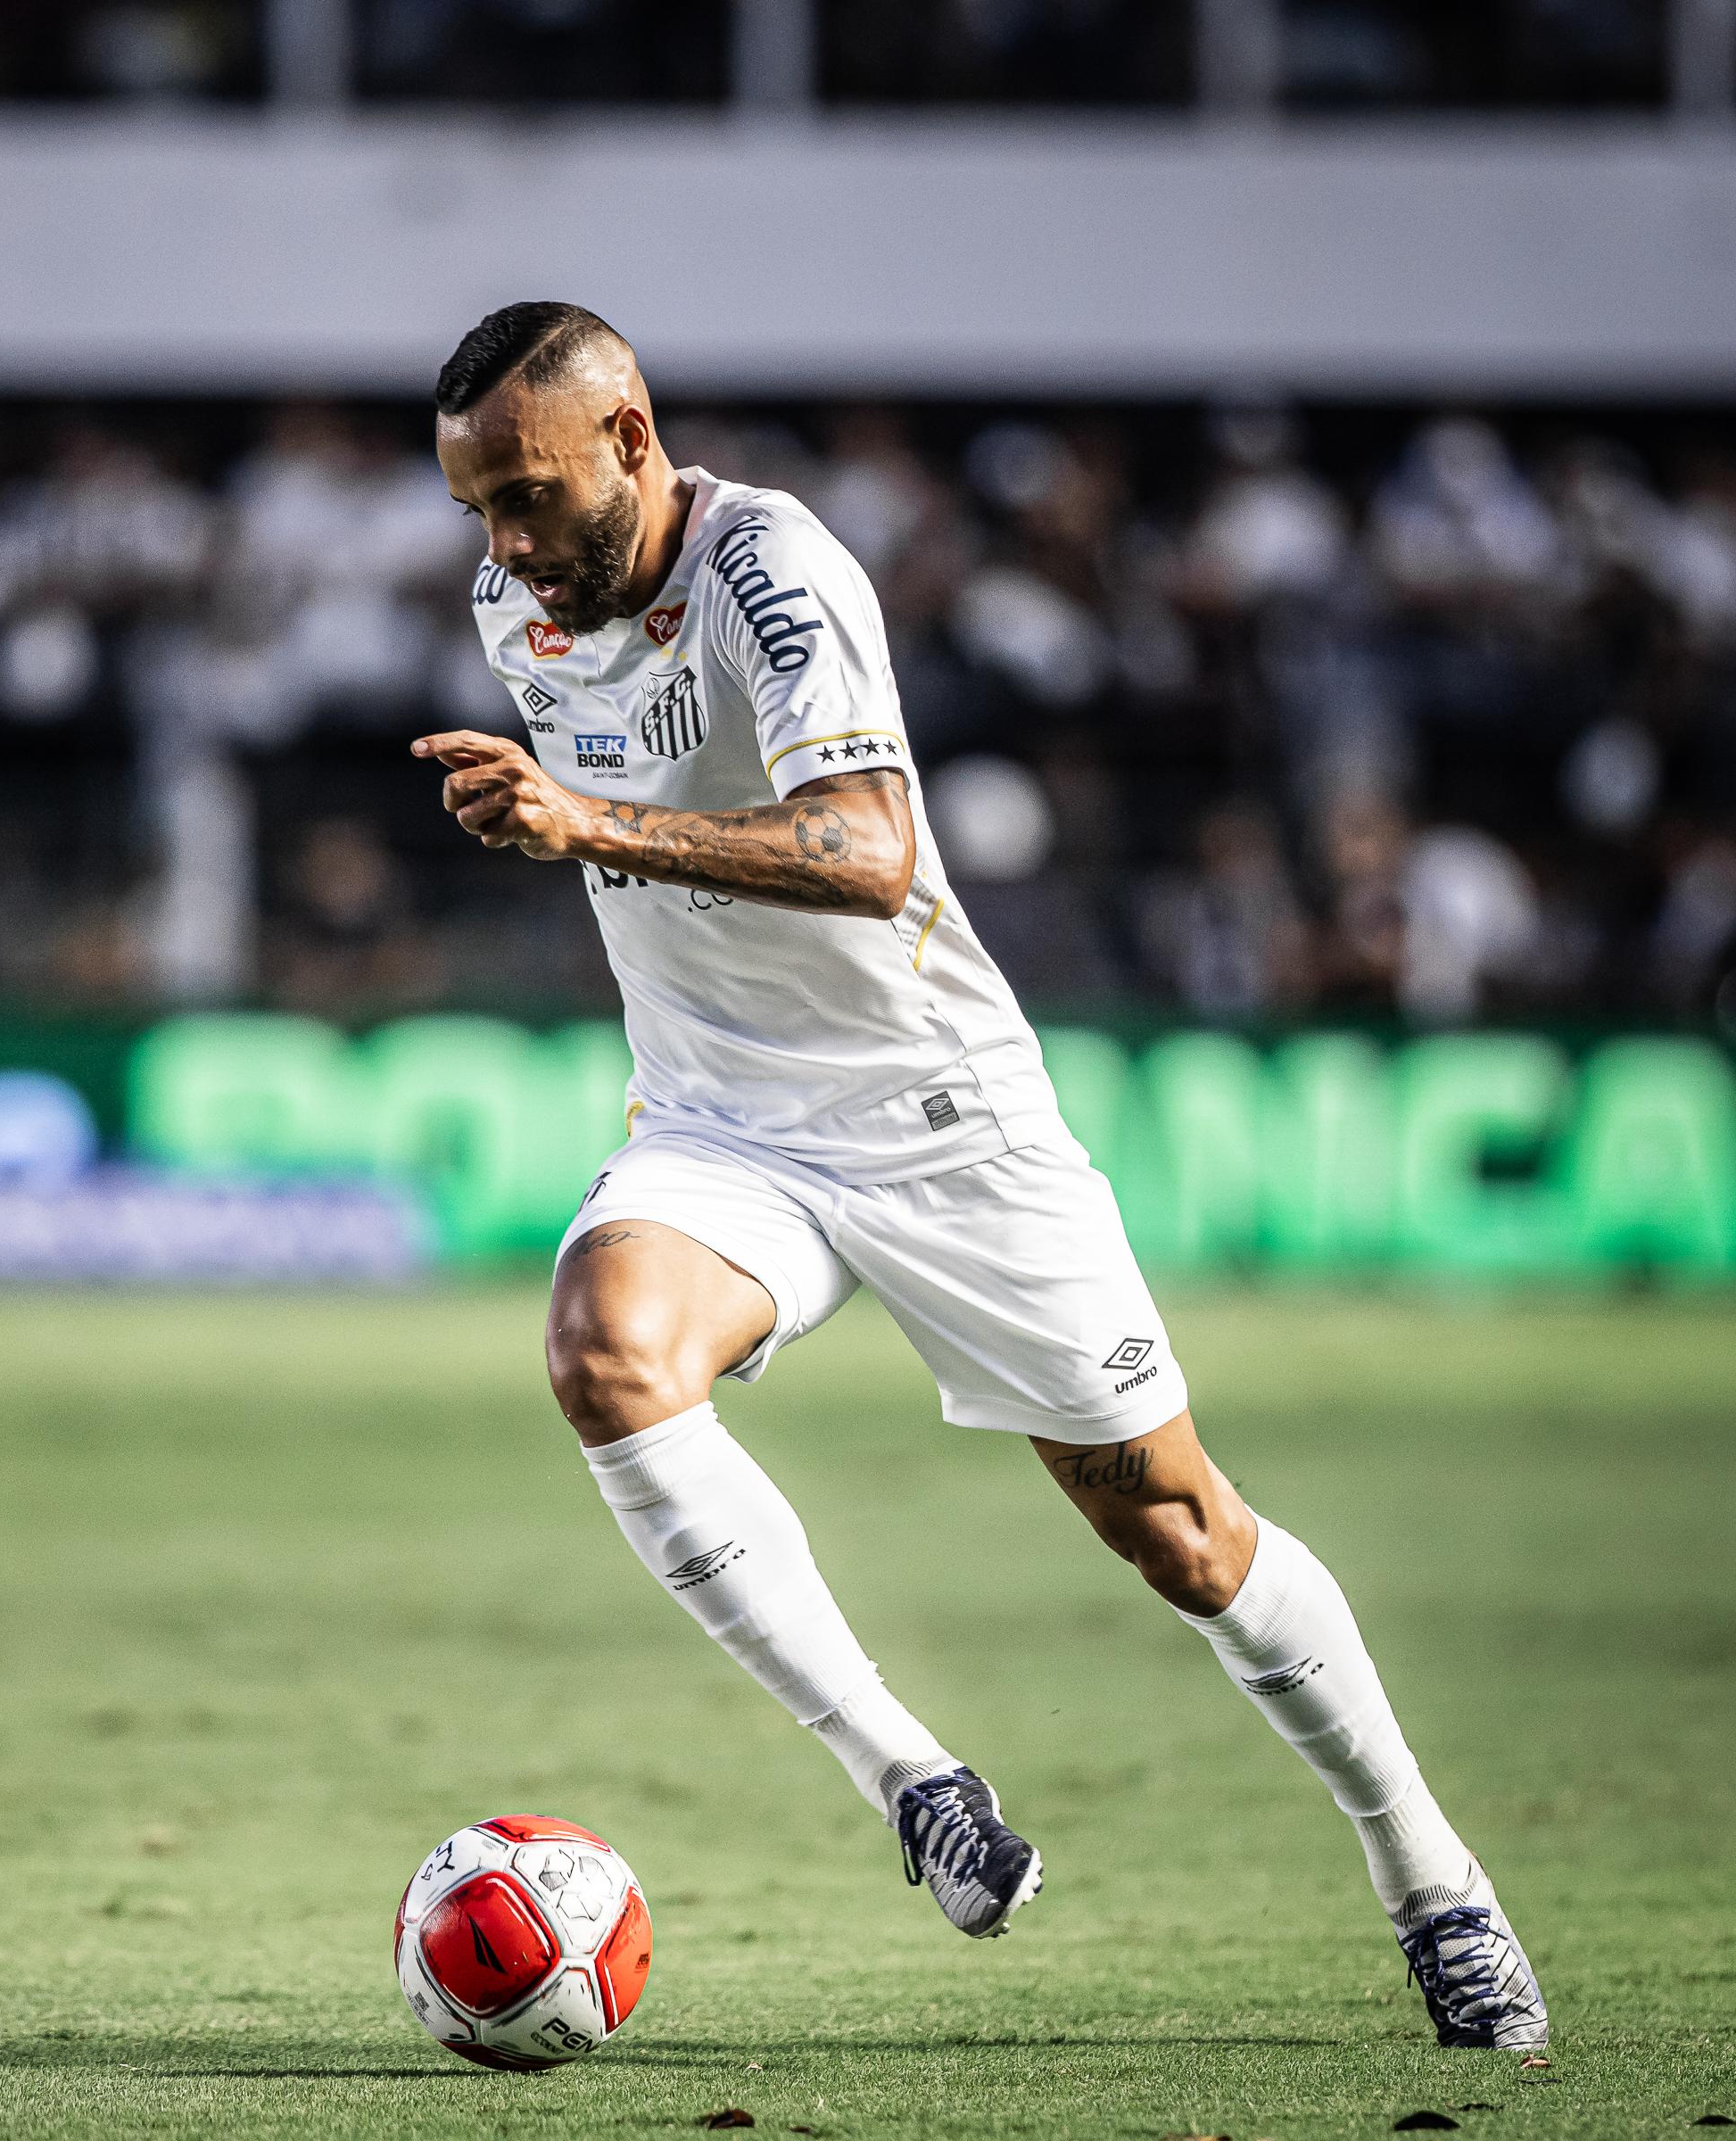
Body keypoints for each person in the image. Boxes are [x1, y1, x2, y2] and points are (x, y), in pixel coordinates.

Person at [411, 304, 1546, 2049]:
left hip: (943, 1121)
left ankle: (1432, 1874)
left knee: (1171, 1526)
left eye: (530, 495)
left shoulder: (777, 569)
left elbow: (870, 857)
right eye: (476, 507)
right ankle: (914, 1781)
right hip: (726, 1126)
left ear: (632, 436)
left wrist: (586, 824)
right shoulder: (519, 605)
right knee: (604, 1355)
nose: (502, 549)